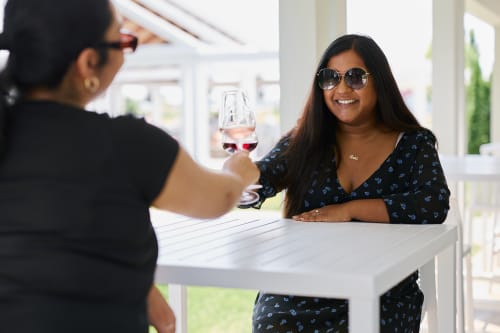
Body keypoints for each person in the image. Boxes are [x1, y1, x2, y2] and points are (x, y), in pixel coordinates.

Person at [0, 0, 259, 333]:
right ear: (88, 63)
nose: (124, 52)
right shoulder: (127, 145)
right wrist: (238, 171)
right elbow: (217, 199)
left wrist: (137, 283)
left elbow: (45, 242)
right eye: (122, 43)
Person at [249, 34, 450, 332]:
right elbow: (259, 182)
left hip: (383, 290)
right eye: (330, 78)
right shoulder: (305, 140)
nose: (341, 88)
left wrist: (352, 209)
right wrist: (238, 173)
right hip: (301, 287)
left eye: (355, 77)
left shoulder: (413, 144)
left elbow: (433, 203)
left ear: (379, 82)